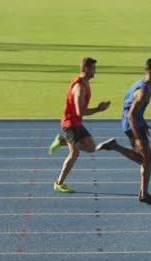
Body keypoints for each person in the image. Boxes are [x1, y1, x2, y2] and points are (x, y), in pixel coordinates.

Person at [96, 58, 151, 205]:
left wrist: (143, 122)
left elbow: (133, 108)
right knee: (147, 158)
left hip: (136, 124)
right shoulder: (143, 91)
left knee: (144, 159)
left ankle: (114, 146)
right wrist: (137, 138)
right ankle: (144, 194)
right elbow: (131, 114)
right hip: (132, 125)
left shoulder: (146, 85)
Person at [48, 57, 113, 193]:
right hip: (70, 124)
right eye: (93, 68)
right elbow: (80, 111)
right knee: (74, 154)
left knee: (91, 148)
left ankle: (61, 142)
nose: (95, 71)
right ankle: (59, 183)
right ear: (86, 69)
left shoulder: (85, 83)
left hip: (77, 123)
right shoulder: (79, 87)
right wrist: (98, 109)